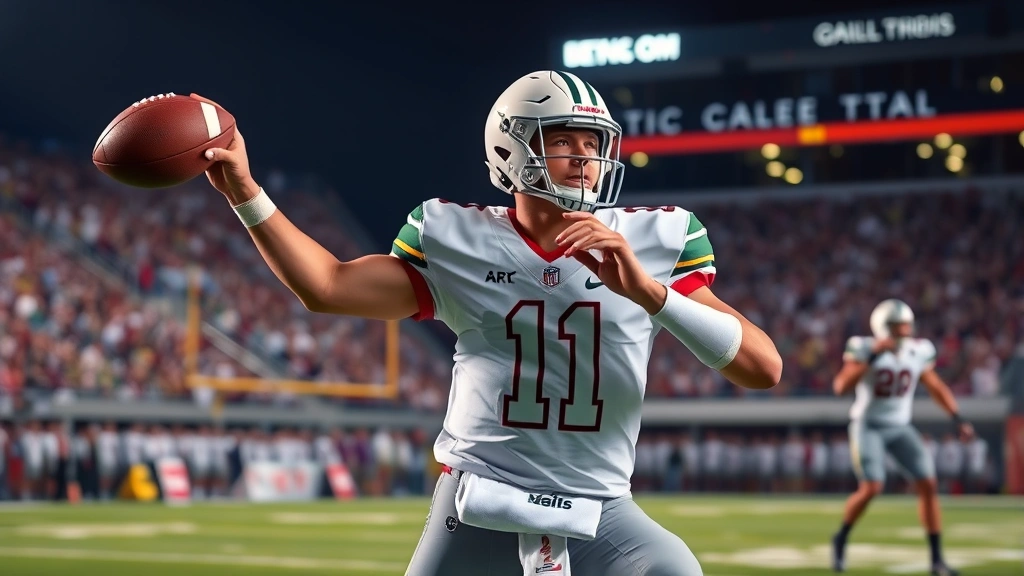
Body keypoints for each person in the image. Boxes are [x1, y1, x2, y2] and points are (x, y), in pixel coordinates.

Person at [195, 69, 782, 576]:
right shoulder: (459, 237)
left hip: (600, 505)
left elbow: (763, 368)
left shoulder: (652, 241)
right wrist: (245, 191)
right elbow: (328, 287)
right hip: (477, 499)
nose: (583, 155)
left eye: (592, 141)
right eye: (563, 139)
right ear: (512, 148)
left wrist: (650, 293)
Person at [830, 299, 974, 576]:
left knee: (928, 484)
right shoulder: (863, 347)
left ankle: (936, 560)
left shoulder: (919, 350)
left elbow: (935, 386)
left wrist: (958, 418)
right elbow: (841, 386)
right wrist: (873, 355)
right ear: (884, 329)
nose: (905, 331)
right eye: (898, 326)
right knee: (872, 487)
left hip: (900, 426)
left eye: (907, 325)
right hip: (868, 424)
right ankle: (841, 537)